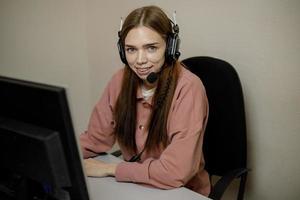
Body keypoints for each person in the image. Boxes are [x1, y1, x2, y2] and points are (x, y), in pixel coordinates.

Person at [80, 5, 210, 196]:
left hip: (180, 191)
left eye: (151, 48)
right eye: (131, 49)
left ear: (170, 47)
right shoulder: (119, 81)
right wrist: (59, 156)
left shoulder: (189, 88)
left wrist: (110, 169)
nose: (140, 60)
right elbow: (94, 139)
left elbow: (174, 172)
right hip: (134, 186)